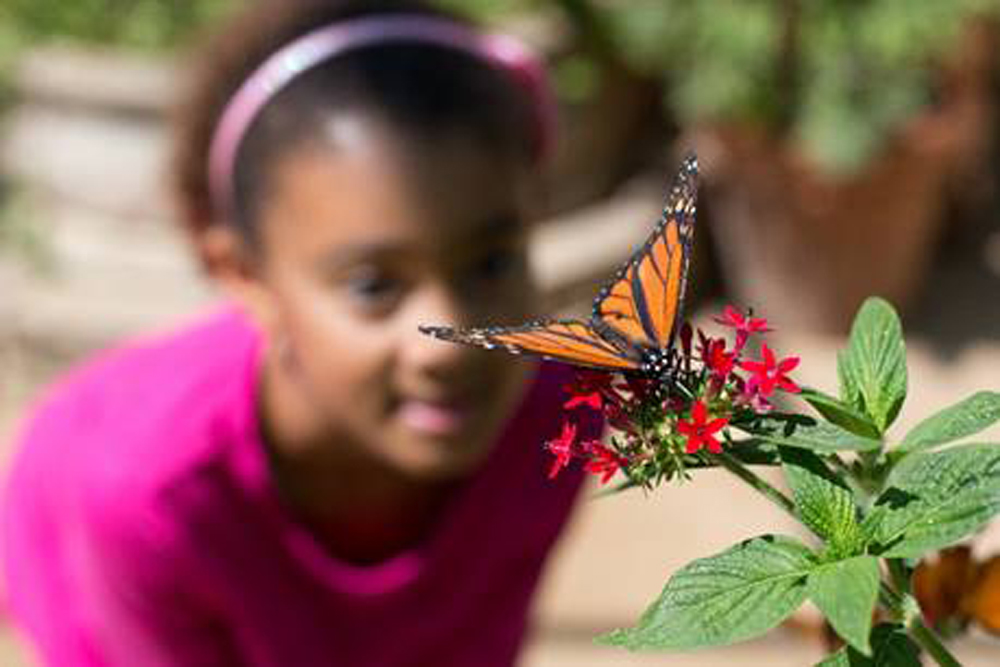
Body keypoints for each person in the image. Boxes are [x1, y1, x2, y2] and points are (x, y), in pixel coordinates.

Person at [1, 1, 600, 664]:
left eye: (491, 263)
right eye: (375, 285)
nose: (450, 339)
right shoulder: (148, 495)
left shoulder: (558, 418)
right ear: (243, 275)